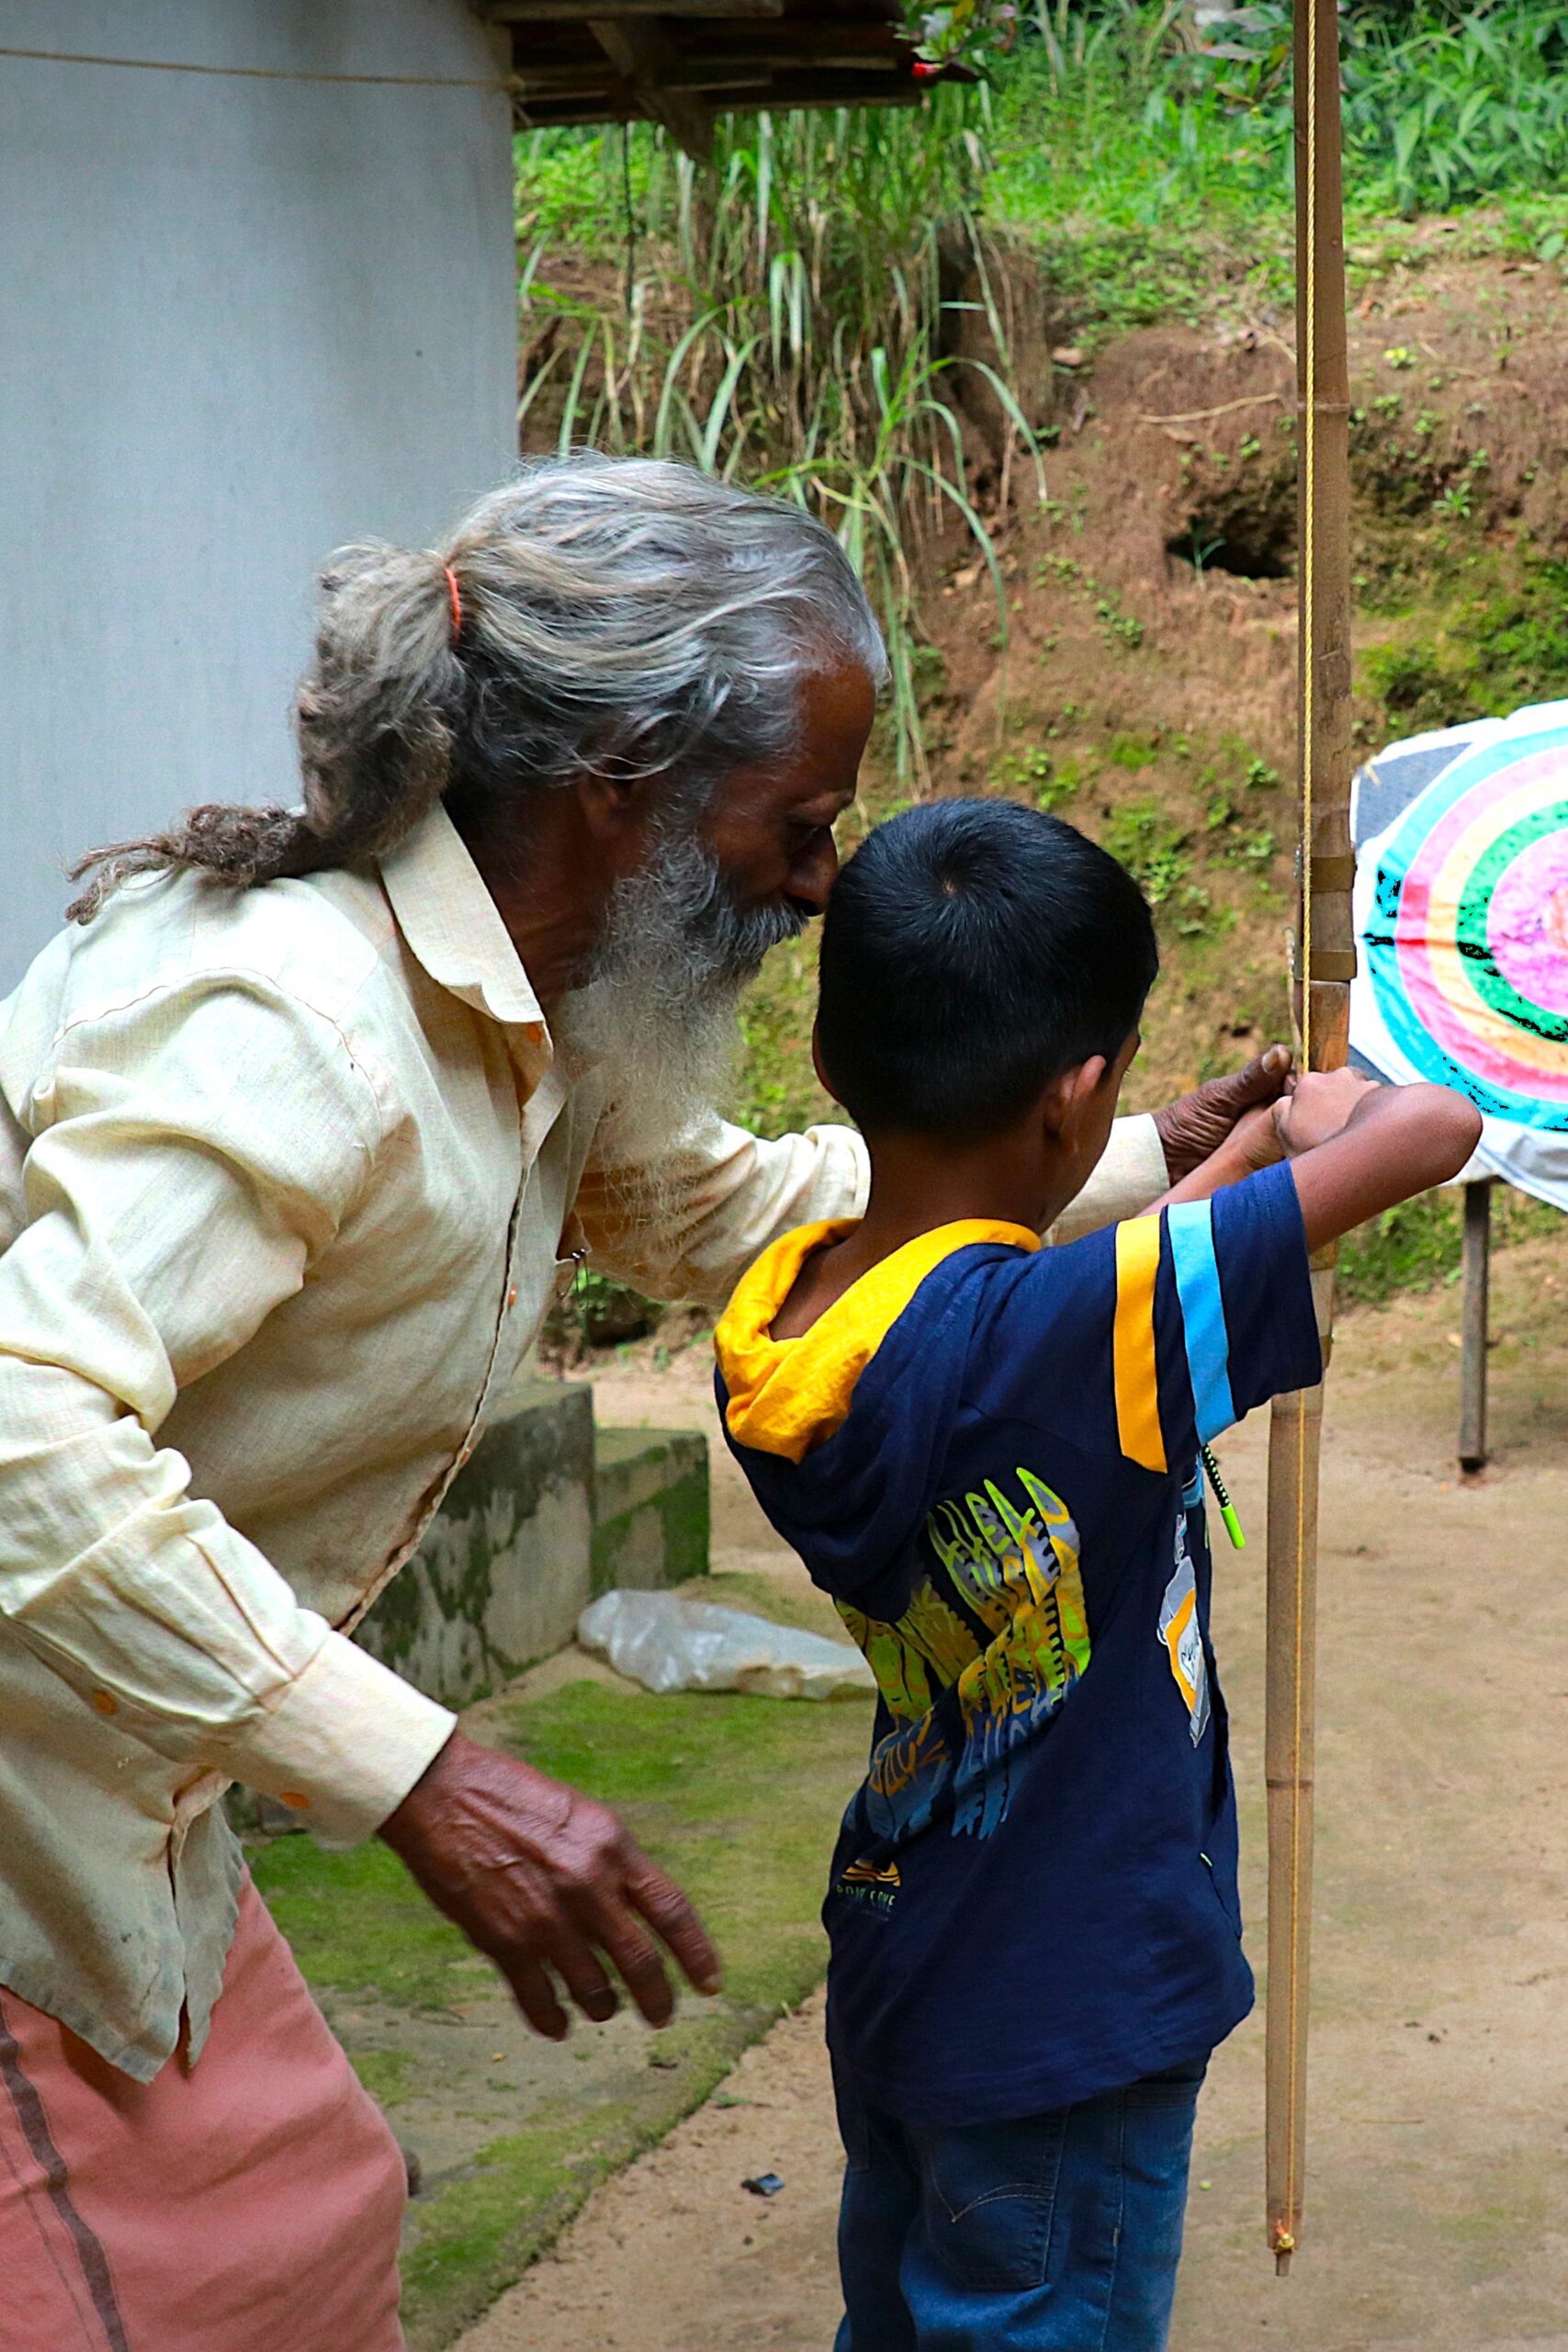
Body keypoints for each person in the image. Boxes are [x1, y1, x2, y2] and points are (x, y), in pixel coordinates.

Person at [0, 458, 1290, 2350]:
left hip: (118, 1779)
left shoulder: (526, 1015)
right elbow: (22, 1433)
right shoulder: (298, 1022)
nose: (817, 881)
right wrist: (430, 1775)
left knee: (314, 2218)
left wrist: (1127, 1167)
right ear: (623, 789)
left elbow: (722, 1205)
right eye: (798, 820)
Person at [714, 798, 1481, 2352]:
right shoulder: (1072, 1336)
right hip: (1075, 1998)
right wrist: (1329, 1114)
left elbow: (1062, 1323)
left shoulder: (788, 1320)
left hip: (916, 1953)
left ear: (832, 1057)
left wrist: (1251, 1147)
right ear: (1076, 1104)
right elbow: (1434, 1133)